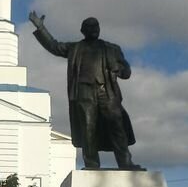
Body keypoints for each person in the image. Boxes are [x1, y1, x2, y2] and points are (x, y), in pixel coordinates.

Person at [29, 11, 143, 170]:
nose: (93, 29)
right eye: (89, 27)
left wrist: (120, 70)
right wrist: (41, 28)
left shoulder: (112, 49)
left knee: (117, 125)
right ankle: (91, 164)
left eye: (96, 26)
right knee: (88, 128)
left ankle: (125, 162)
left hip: (106, 92)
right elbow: (54, 46)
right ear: (83, 31)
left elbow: (126, 71)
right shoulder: (75, 48)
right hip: (84, 93)